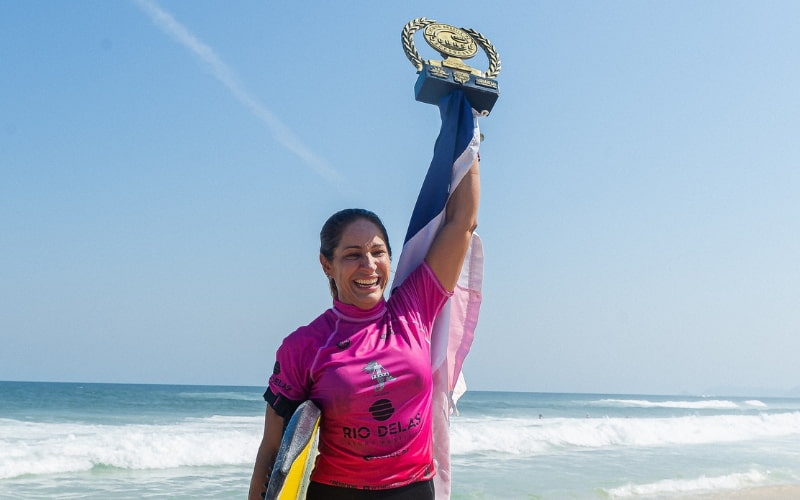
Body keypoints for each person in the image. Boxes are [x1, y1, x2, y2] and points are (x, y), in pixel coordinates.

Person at [247, 153, 479, 500]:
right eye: (353, 254)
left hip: (415, 489)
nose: (368, 265)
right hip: (339, 492)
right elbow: (273, 449)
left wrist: (469, 138)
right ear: (327, 264)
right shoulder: (305, 346)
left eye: (377, 252)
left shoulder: (414, 308)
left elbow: (461, 223)